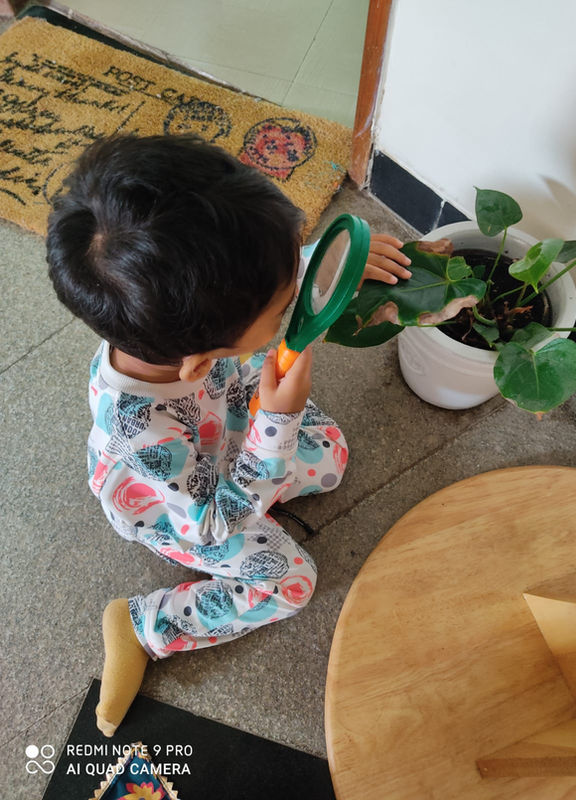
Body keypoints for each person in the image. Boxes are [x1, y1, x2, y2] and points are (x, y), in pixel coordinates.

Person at [46, 134, 412, 737]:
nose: (292, 305)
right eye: (283, 306)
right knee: (292, 582)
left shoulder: (169, 319)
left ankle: (260, 466)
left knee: (332, 455)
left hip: (223, 422)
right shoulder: (141, 429)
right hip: (181, 508)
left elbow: (234, 278)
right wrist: (278, 423)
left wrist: (315, 264)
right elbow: (213, 522)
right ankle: (145, 627)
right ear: (198, 361)